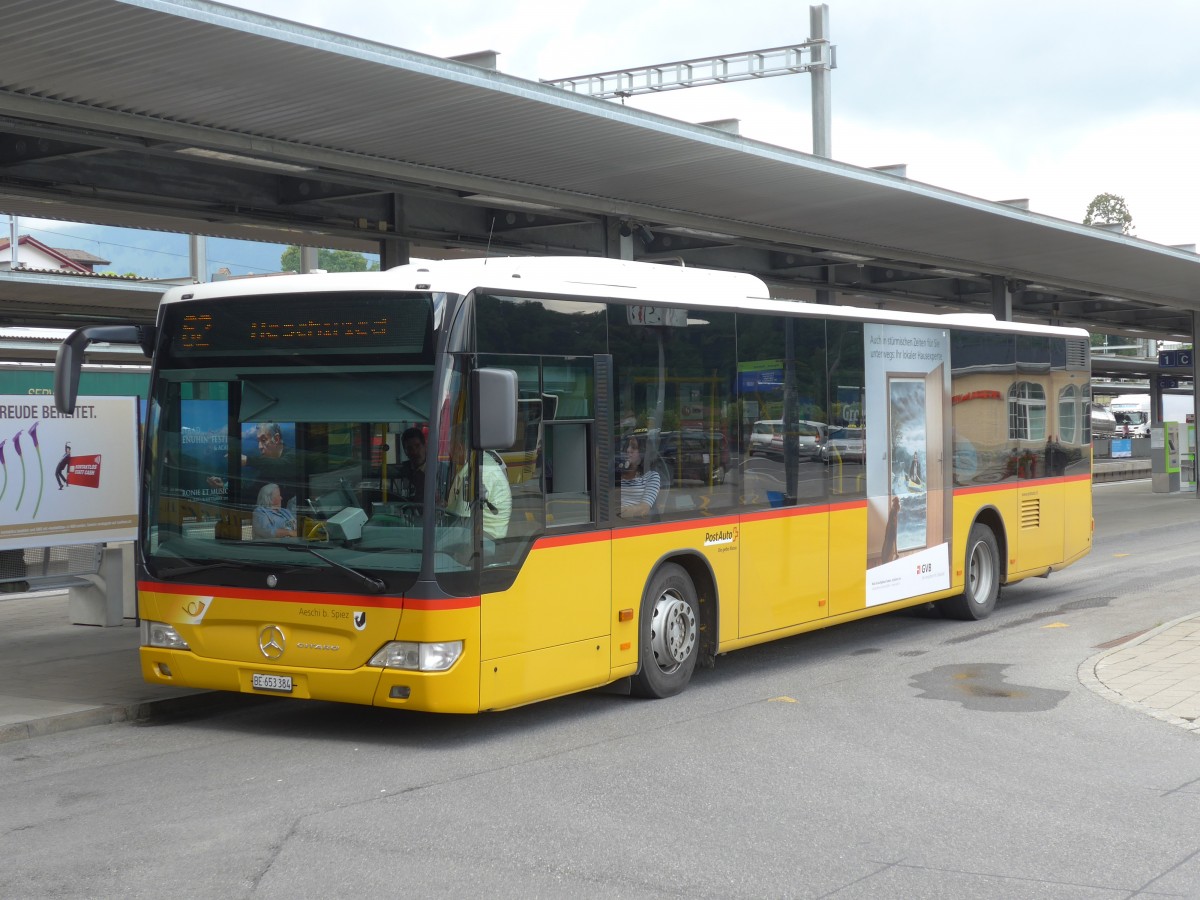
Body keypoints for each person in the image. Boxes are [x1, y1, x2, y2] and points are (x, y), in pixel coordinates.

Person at [618, 435, 660, 518]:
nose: (628, 450)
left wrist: (621, 510)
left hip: (631, 522)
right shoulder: (619, 472)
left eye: (633, 447)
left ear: (643, 452)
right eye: (627, 447)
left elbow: (644, 508)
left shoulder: (652, 476)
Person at [390, 427, 427, 504]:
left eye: (417, 446)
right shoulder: (401, 472)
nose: (414, 451)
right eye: (409, 448)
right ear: (405, 451)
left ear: (425, 446)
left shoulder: (438, 470)